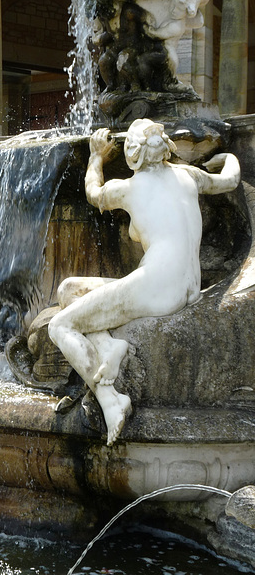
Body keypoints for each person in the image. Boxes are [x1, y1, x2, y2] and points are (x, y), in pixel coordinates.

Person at [48, 119, 240, 445]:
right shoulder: (189, 175)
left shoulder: (128, 188)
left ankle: (111, 401)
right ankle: (109, 346)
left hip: (158, 287)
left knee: (59, 326)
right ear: (165, 146)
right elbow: (231, 180)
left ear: (131, 154)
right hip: (185, 286)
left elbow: (93, 192)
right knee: (70, 290)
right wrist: (227, 158)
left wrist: (96, 156)